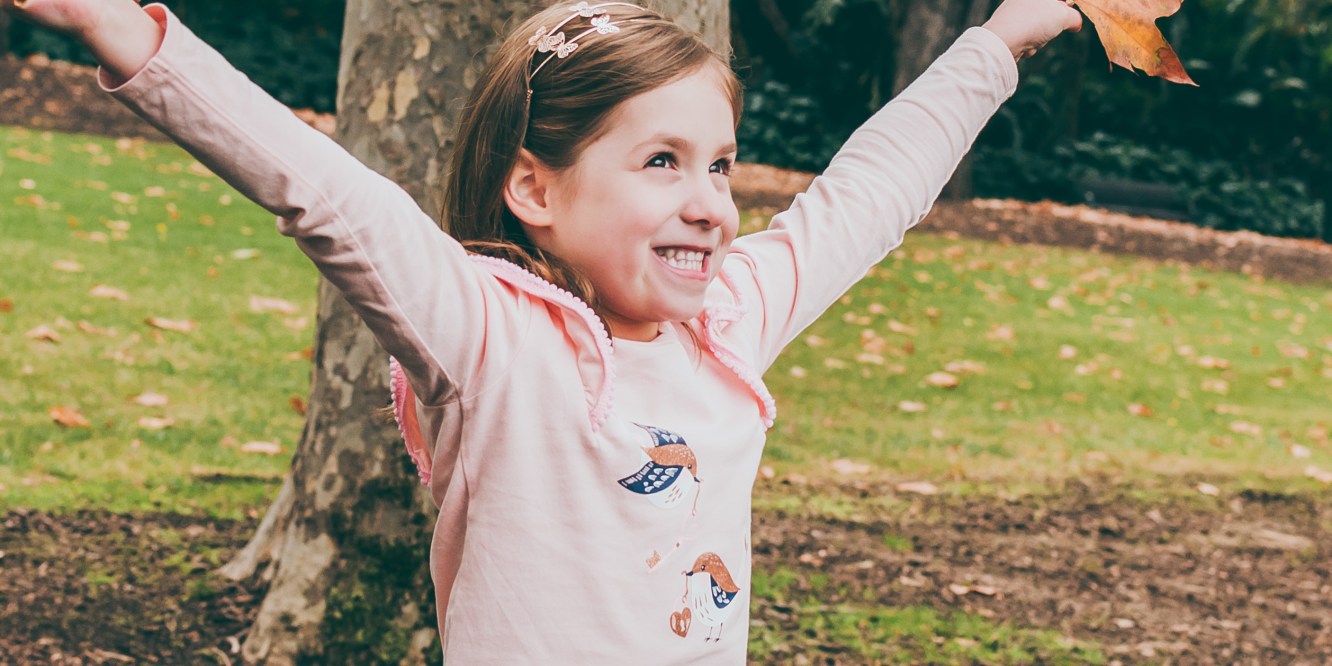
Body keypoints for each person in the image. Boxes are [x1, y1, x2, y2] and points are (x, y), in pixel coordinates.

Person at [3, 0, 1081, 660]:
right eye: (660, 161)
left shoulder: (730, 321)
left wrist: (1003, 37)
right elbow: (329, 197)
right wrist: (132, 38)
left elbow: (869, 191)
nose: (709, 198)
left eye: (720, 161)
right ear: (535, 187)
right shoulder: (489, 339)